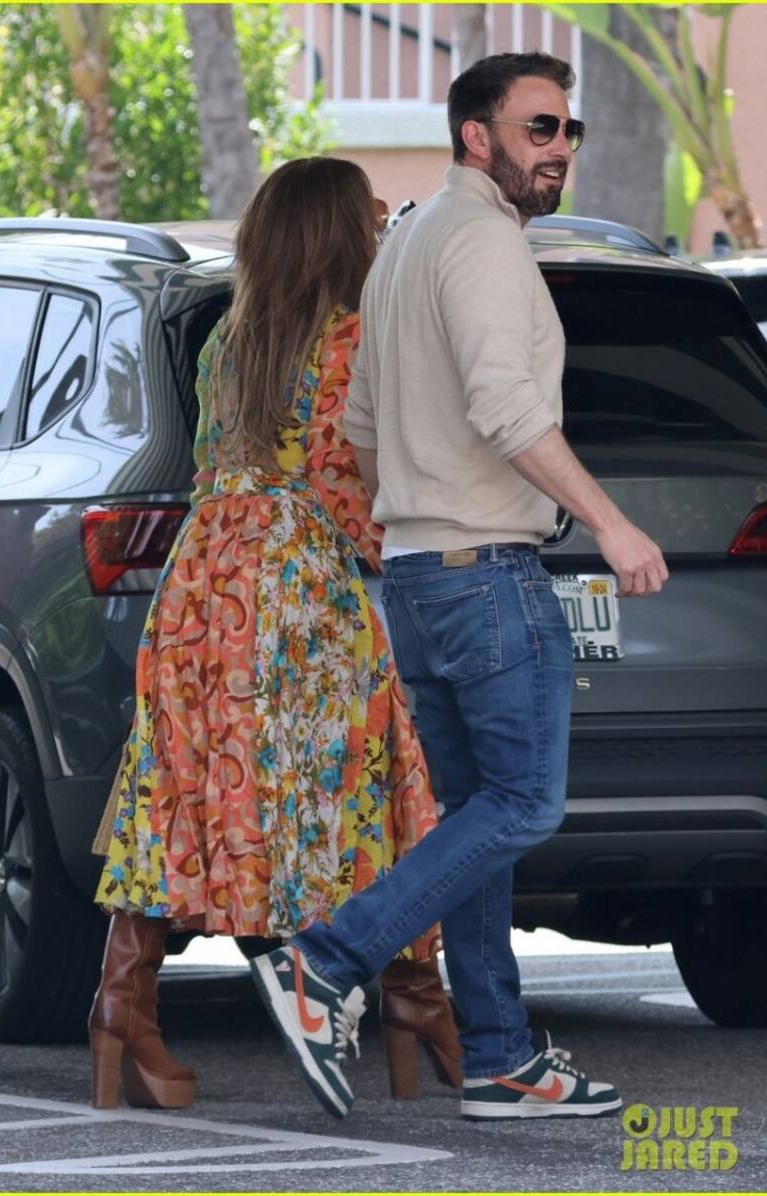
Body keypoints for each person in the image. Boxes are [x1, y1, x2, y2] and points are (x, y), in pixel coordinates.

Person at [251, 53, 669, 1123]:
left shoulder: (406, 244)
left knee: (479, 815)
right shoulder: (481, 241)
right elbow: (504, 407)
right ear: (476, 137)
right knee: (523, 803)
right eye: (538, 128)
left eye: (567, 129)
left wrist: (414, 515)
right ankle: (324, 960)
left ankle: (497, 1054)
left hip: (419, 578)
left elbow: (358, 426)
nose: (560, 148)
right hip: (484, 573)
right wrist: (611, 523)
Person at [88, 157, 461, 1111]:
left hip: (199, 582)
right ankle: (417, 997)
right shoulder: (350, 339)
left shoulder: (229, 340)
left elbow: (213, 464)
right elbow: (346, 487)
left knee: (177, 784)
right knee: (361, 780)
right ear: (341, 234)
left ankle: (123, 1002)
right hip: (294, 592)